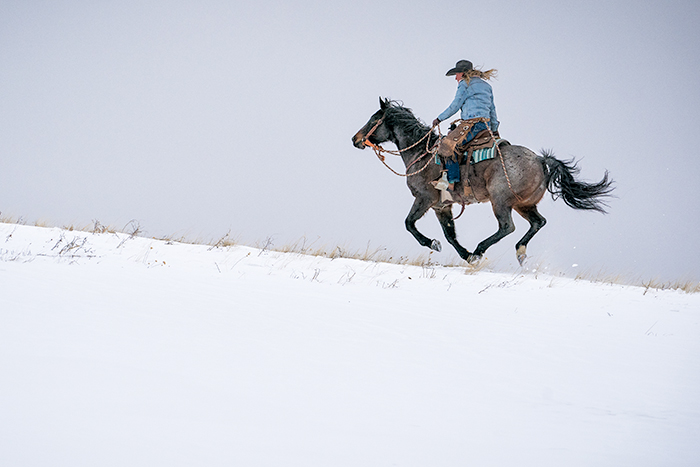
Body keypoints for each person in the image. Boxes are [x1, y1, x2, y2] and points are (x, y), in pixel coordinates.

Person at [432, 60, 500, 191]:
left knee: (447, 146)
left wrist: (439, 118)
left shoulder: (465, 84)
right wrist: (494, 130)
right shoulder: (486, 86)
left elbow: (455, 105)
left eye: (456, 74)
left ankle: (450, 183)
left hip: (470, 126)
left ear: (462, 73)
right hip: (485, 127)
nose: (456, 78)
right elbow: (492, 111)